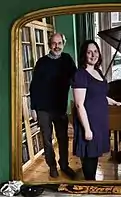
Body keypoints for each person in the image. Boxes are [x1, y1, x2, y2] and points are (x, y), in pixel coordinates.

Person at [72, 40, 121, 180]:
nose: (93, 55)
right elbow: (79, 104)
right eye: (89, 52)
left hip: (99, 122)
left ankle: (92, 183)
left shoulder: (98, 72)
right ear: (84, 54)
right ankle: (90, 185)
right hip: (88, 121)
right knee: (90, 157)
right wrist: (87, 129)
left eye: (95, 51)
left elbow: (100, 95)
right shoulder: (81, 74)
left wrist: (114, 102)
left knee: (94, 155)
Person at [29, 33, 77, 179]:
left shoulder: (67, 59)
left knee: (63, 138)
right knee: (47, 139)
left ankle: (64, 165)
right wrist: (33, 108)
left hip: (59, 107)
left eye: (59, 43)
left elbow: (76, 78)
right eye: (54, 43)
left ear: (63, 43)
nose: (57, 46)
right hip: (42, 108)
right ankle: (52, 166)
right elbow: (34, 86)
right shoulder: (42, 62)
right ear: (50, 45)